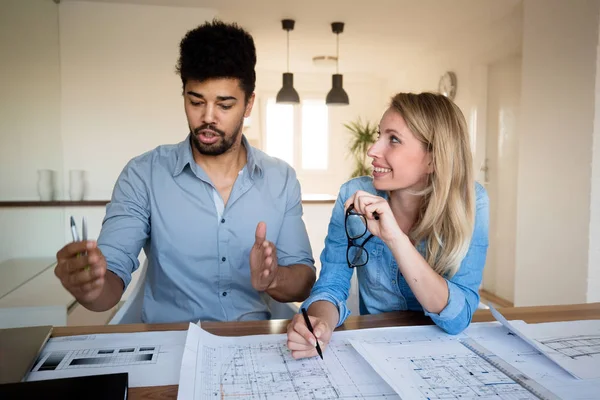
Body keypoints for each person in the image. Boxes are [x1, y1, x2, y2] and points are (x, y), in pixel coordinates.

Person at [54, 20, 316, 323]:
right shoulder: (143, 175)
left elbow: (304, 279)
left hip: (251, 344)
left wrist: (274, 278)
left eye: (224, 105)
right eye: (196, 101)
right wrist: (90, 288)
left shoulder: (280, 179)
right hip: (169, 344)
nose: (207, 118)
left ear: (248, 104)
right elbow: (109, 283)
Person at [286, 92, 489, 359]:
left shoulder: (471, 202)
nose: (372, 150)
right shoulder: (353, 195)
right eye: (379, 135)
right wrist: (320, 324)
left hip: (447, 355)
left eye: (393, 139)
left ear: (433, 159)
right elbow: (332, 284)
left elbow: (457, 317)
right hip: (379, 348)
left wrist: (395, 238)